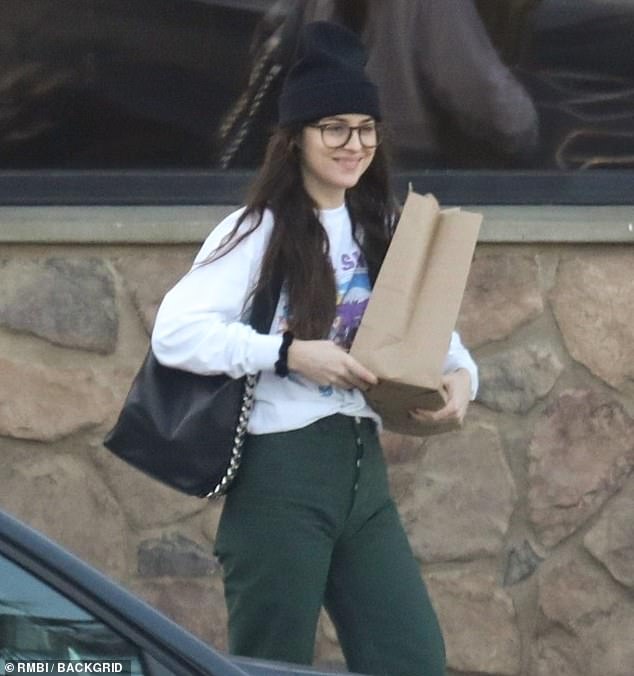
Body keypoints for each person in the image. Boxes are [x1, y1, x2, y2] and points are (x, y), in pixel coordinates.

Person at [152, 21, 478, 676]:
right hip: (281, 477)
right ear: (295, 137)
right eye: (334, 128)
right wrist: (289, 354)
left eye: (365, 128)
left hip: (363, 478)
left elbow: (437, 333)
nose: (354, 145)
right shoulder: (256, 229)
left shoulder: (382, 224)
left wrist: (462, 378)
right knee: (270, 664)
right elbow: (174, 333)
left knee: (414, 657)